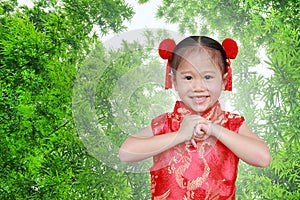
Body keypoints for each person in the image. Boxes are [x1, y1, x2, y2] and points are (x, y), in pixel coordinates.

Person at [119, 36, 271, 199]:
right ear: (174, 81)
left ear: (224, 80)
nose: (198, 87)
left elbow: (263, 158)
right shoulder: (166, 123)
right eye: (188, 78)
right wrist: (179, 135)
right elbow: (125, 153)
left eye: (207, 77)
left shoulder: (231, 123)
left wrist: (215, 130)